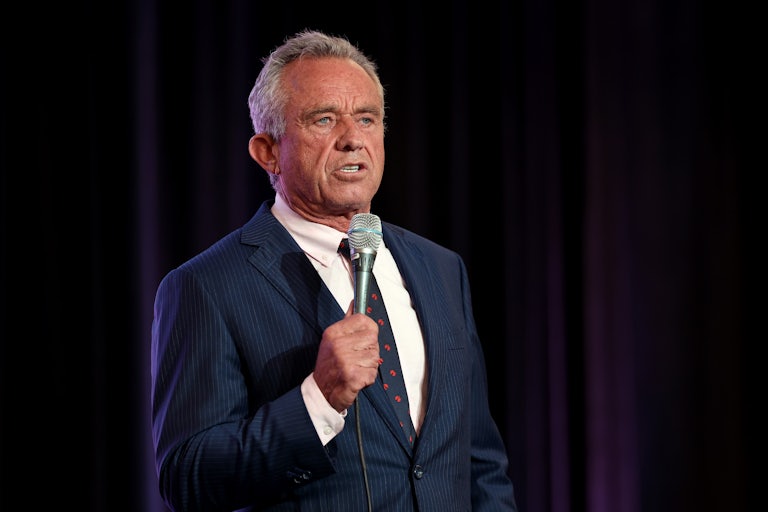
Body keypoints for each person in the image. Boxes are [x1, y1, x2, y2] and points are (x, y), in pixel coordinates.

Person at [151, 29, 518, 511]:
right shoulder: (206, 286)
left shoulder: (441, 269)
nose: (352, 139)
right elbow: (187, 477)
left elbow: (481, 462)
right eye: (324, 119)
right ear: (267, 152)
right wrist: (319, 399)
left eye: (366, 118)